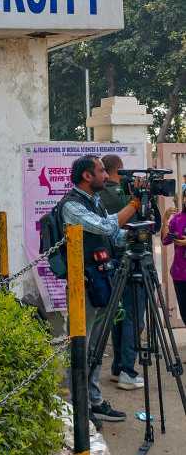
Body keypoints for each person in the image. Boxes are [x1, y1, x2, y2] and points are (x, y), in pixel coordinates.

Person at [61, 155, 141, 423]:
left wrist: (136, 229)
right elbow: (106, 226)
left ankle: (93, 400)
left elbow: (113, 235)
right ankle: (77, 409)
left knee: (96, 346)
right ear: (87, 176)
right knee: (81, 347)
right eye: (101, 171)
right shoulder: (72, 206)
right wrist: (133, 204)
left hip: (99, 281)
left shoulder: (93, 202)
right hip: (82, 285)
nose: (106, 176)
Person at [98, 154, 145, 391]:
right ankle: (128, 370)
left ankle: (118, 368)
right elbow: (148, 223)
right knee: (133, 318)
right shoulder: (125, 197)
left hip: (110, 264)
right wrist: (140, 197)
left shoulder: (98, 197)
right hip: (130, 261)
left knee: (119, 316)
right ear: (120, 170)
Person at [161, 204, 186, 324]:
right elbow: (165, 240)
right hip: (180, 274)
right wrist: (165, 219)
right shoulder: (177, 219)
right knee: (185, 313)